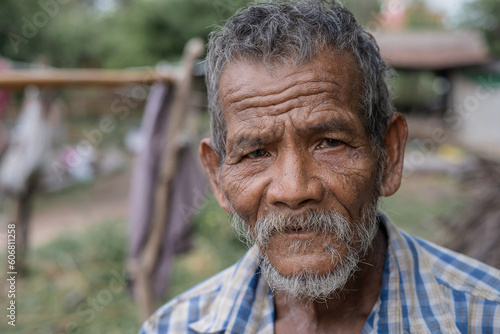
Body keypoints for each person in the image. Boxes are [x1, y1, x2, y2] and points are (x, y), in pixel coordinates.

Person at [140, 1, 500, 332]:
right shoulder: (171, 327)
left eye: (330, 142)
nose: (294, 190)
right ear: (217, 177)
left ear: (389, 154)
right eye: (255, 153)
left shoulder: (485, 316)